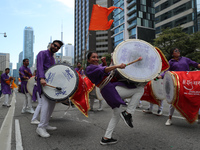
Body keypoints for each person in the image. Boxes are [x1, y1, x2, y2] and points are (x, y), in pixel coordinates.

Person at [86, 52, 144, 145]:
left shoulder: (97, 66)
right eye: (93, 57)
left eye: (97, 57)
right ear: (88, 60)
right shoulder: (89, 68)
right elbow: (104, 70)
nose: (96, 59)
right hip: (109, 89)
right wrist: (117, 65)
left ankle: (106, 138)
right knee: (140, 89)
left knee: (116, 114)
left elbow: (106, 70)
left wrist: (106, 62)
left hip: (108, 90)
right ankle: (128, 113)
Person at [157, 47, 200, 126]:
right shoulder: (171, 62)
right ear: (172, 54)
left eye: (178, 50)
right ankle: (169, 119)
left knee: (194, 97)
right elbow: (167, 71)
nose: (178, 51)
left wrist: (198, 65)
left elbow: (195, 64)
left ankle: (198, 117)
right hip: (177, 84)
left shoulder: (185, 59)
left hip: (187, 82)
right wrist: (160, 76)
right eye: (176, 51)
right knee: (173, 100)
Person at [35, 40, 64, 138]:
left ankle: (46, 124)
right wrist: (42, 78)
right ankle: (40, 127)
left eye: (58, 48)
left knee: (51, 105)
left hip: (51, 84)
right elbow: (39, 66)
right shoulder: (42, 53)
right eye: (55, 46)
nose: (56, 48)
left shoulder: (53, 58)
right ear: (51, 44)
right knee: (46, 105)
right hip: (44, 83)